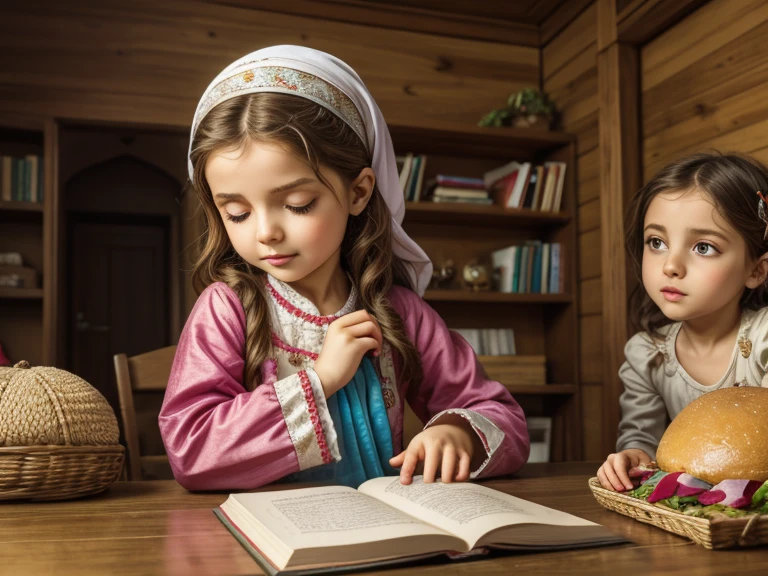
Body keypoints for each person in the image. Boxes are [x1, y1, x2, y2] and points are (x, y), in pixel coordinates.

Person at [159, 45, 530, 491]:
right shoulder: (227, 308)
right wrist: (320, 379)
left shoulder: (399, 311)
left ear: (358, 192)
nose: (265, 232)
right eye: (236, 213)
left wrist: (459, 434)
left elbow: (503, 417)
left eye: (297, 204)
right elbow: (192, 452)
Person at [598, 152, 768, 492]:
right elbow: (642, 438)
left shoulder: (765, 338)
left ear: (756, 270)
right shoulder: (646, 354)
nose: (671, 266)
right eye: (656, 242)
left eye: (703, 247)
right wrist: (631, 456)